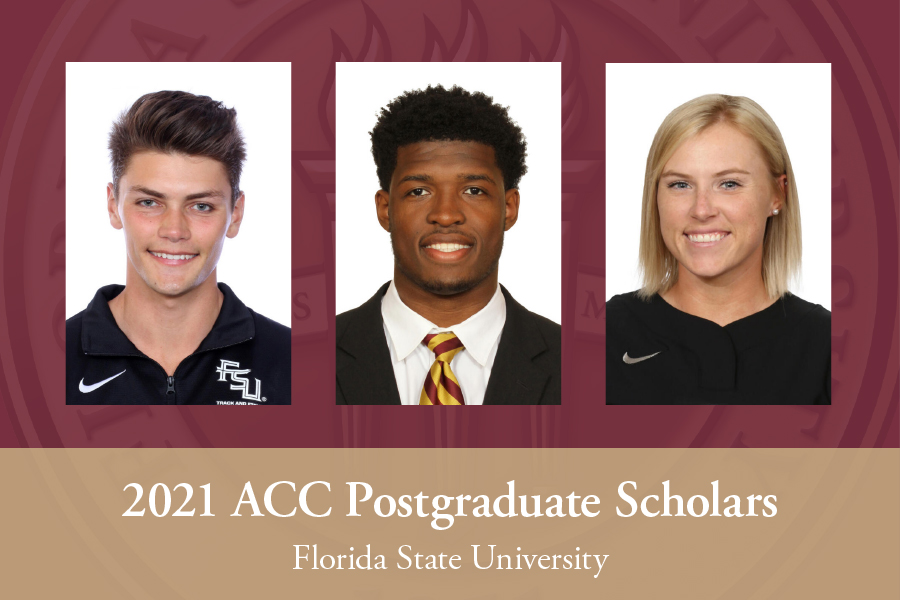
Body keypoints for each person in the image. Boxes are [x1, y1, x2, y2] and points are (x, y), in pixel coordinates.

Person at [337, 85, 560, 405]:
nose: (445, 215)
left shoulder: (577, 362)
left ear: (509, 208)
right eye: (418, 191)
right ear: (386, 209)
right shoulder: (307, 356)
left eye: (473, 190)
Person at [67, 91, 290, 405]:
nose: (174, 231)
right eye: (149, 202)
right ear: (113, 206)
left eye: (201, 206)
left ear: (235, 215)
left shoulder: (296, 364)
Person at [606, 94, 830, 405]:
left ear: (778, 195)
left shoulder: (831, 346)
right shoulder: (600, 335)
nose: (701, 210)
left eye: (729, 184)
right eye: (680, 185)